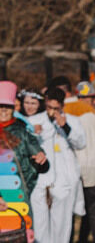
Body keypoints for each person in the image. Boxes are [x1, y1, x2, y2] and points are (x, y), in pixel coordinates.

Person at [47, 77, 95, 243]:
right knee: (93, 211)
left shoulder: (58, 111)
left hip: (69, 171)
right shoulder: (91, 111)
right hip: (91, 169)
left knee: (67, 212)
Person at [29, 87, 87, 243]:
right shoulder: (34, 121)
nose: (51, 111)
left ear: (62, 106)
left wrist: (65, 127)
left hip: (63, 181)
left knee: (61, 225)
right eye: (49, 107)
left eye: (56, 108)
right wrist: (33, 133)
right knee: (39, 225)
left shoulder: (72, 121)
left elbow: (81, 143)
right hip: (40, 180)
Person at [0, 81, 49, 210]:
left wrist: (41, 160)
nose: (4, 109)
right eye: (0, 105)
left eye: (8, 106)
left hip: (17, 200)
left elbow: (42, 165)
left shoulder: (23, 132)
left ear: (14, 108)